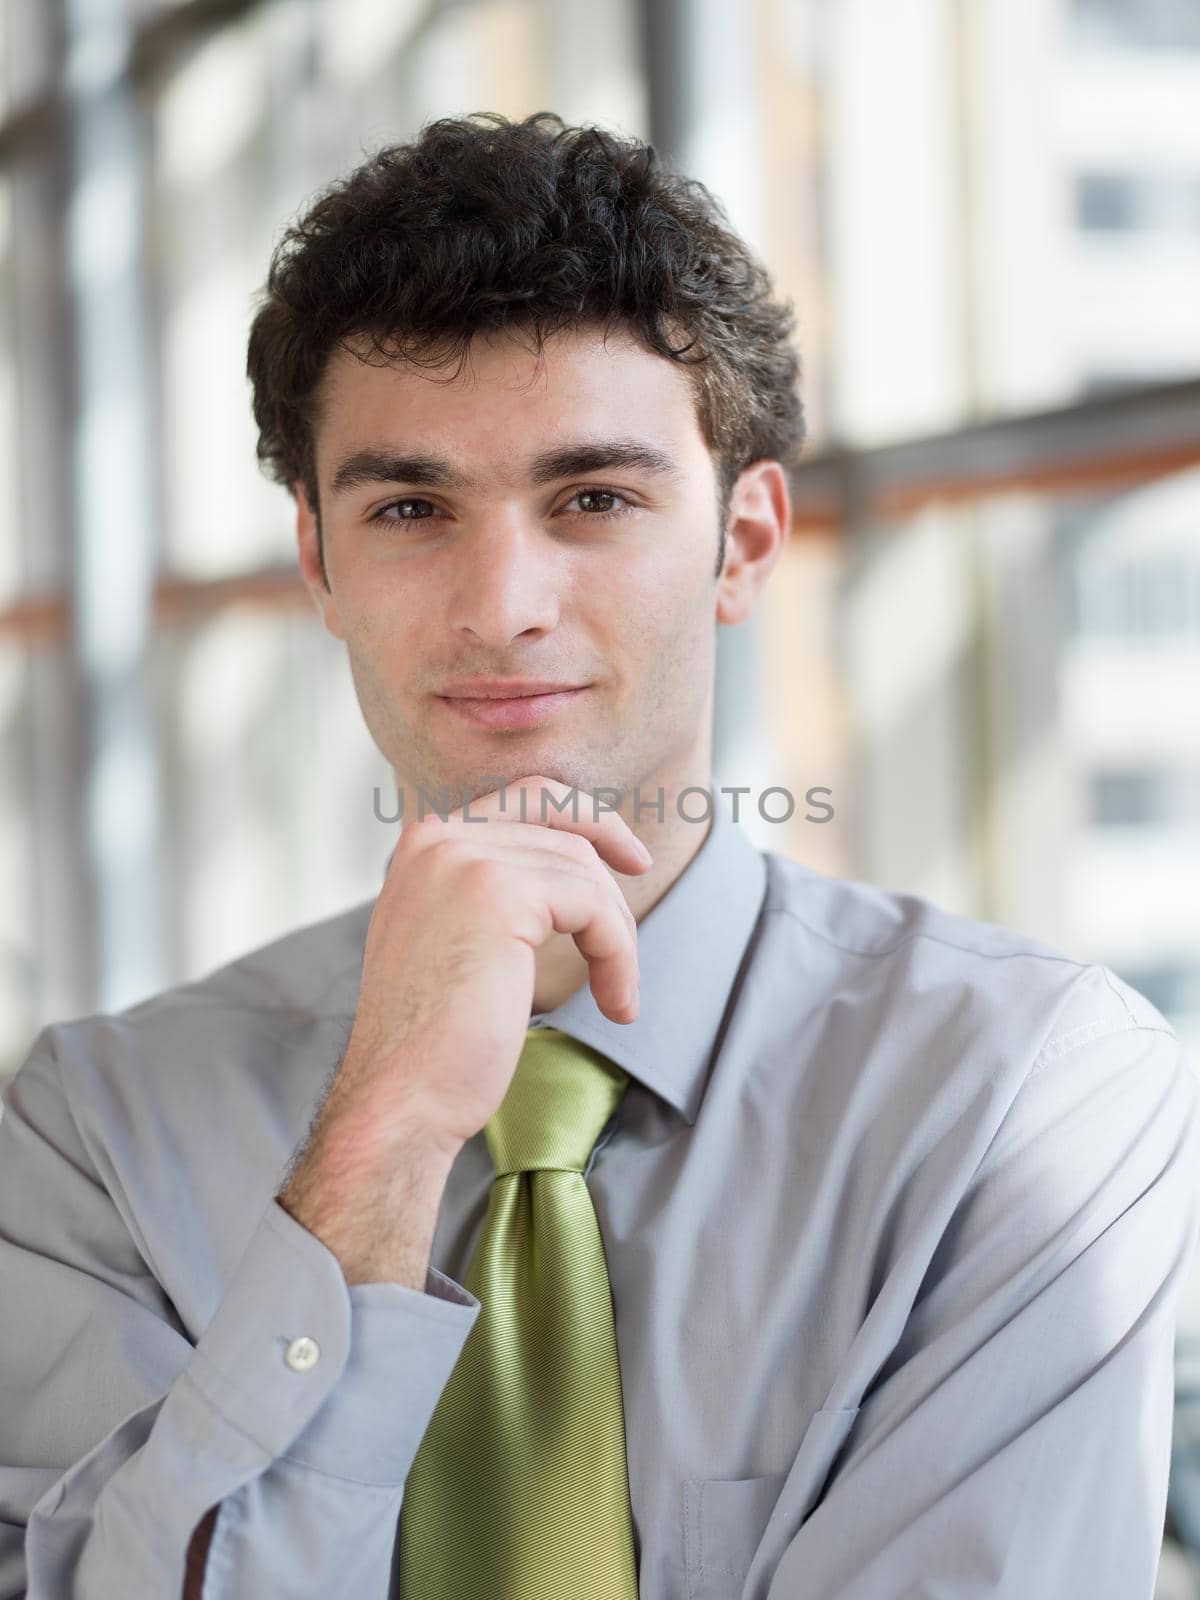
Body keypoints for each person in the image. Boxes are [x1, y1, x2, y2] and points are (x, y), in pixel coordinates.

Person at [0, 110, 1196, 1600]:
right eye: (412, 508)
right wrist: (377, 1145)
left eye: (596, 500)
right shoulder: (97, 1136)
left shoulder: (1025, 1097)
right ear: (319, 561)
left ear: (745, 544)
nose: (503, 603)